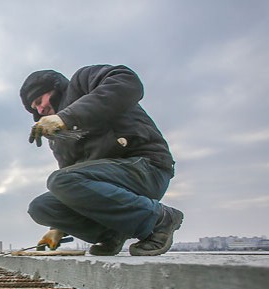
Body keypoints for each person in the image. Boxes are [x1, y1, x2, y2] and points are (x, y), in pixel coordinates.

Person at [19, 65, 183, 256]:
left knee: (60, 180)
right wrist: (58, 227)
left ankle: (159, 220)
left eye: (40, 100)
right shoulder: (59, 138)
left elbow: (128, 82)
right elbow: (72, 182)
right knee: (41, 207)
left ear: (55, 88)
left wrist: (66, 117)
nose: (40, 108)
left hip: (145, 168)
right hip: (107, 185)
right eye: (35, 108)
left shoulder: (83, 82)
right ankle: (111, 234)